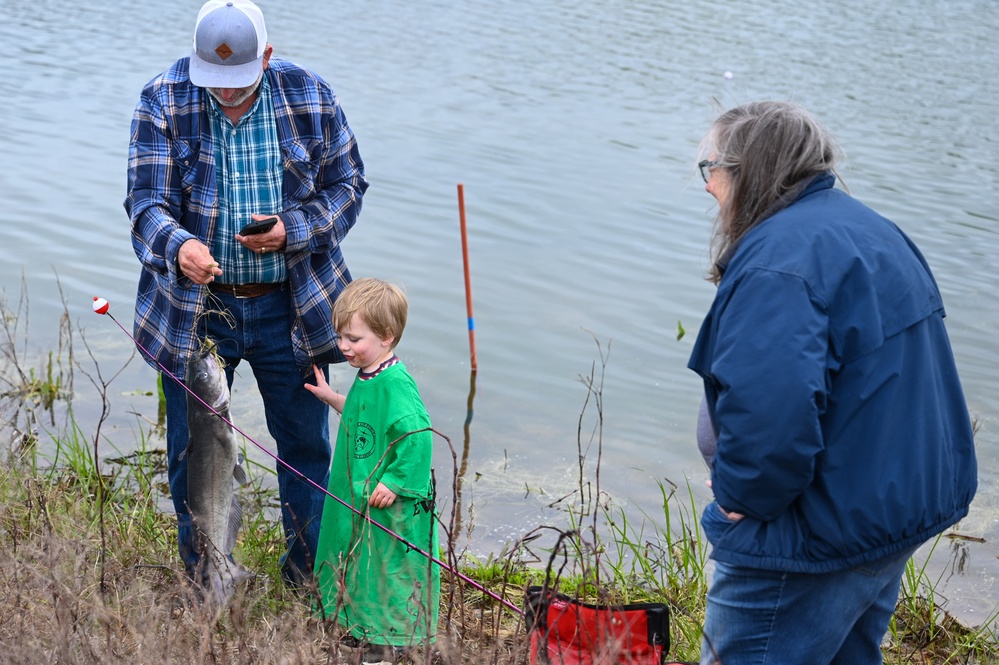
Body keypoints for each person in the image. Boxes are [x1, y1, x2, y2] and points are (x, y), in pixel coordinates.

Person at [687, 101, 977, 665]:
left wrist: (744, 498)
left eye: (711, 169)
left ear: (754, 169)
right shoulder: (868, 229)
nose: (707, 187)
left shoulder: (780, 262)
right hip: (880, 515)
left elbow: (773, 406)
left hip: (808, 539)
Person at [124, 0, 368, 590]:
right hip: (195, 313)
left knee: (307, 448)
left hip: (294, 308)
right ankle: (207, 582)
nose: (227, 95)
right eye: (216, 84)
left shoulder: (310, 96)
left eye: (240, 83)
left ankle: (309, 583)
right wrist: (179, 246)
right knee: (193, 455)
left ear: (268, 56)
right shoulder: (162, 99)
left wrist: (296, 230)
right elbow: (144, 205)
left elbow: (349, 185)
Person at [305, 278, 440, 662]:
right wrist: (334, 399)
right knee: (361, 562)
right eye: (341, 336)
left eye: (353, 338)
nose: (344, 346)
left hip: (389, 503)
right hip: (361, 492)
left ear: (387, 336)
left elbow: (417, 436)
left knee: (388, 569)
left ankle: (393, 642)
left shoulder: (397, 384)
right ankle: (363, 628)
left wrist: (396, 481)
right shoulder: (370, 374)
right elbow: (370, 416)